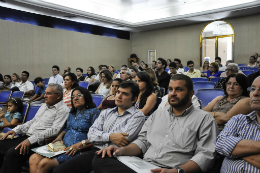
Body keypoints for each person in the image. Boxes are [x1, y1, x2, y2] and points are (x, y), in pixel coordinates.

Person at [92, 74, 218, 173]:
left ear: (191, 93)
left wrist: (176, 171)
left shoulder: (204, 119)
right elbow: (143, 142)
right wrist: (120, 151)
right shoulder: (158, 114)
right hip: (144, 167)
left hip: (173, 169)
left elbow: (205, 155)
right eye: (170, 89)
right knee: (100, 159)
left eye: (178, 89)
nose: (173, 93)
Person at [52, 81, 145, 173]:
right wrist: (111, 137)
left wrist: (101, 136)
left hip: (115, 156)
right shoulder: (106, 112)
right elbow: (91, 135)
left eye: (125, 94)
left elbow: (122, 140)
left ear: (134, 99)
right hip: (95, 151)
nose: (119, 96)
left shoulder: (137, 116)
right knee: (58, 171)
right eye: (118, 92)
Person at [0, 83, 70, 173]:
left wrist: (31, 140)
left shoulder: (63, 110)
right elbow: (33, 121)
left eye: (48, 93)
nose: (44, 96)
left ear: (58, 95)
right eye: (45, 93)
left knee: (12, 153)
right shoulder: (44, 105)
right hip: (27, 137)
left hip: (39, 142)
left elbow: (54, 130)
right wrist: (15, 130)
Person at [29, 87, 100, 173]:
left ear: (86, 97)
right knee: (33, 159)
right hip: (62, 146)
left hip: (77, 149)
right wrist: (59, 136)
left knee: (44, 164)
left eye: (79, 95)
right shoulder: (72, 113)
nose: (75, 98)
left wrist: (81, 145)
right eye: (73, 97)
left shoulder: (94, 112)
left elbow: (98, 136)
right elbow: (66, 128)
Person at [215, 76, 260, 172]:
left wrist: (237, 151)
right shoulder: (238, 119)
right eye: (252, 89)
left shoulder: (242, 101)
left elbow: (225, 146)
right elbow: (220, 143)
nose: (255, 93)